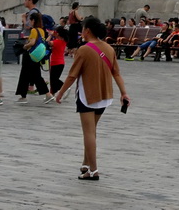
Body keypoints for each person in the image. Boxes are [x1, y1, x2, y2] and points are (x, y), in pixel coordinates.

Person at [54, 17, 130, 181]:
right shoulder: (109, 49)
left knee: (88, 133)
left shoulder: (84, 49)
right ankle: (86, 163)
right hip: (104, 96)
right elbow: (116, 72)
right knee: (92, 131)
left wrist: (60, 92)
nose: (81, 31)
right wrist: (124, 93)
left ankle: (93, 170)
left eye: (83, 28)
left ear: (87, 30)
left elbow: (72, 75)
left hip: (87, 96)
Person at [16, 12, 51, 103]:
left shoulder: (34, 30)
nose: (29, 22)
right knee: (36, 75)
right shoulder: (41, 30)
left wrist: (24, 47)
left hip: (30, 55)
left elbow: (32, 43)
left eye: (30, 20)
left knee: (25, 75)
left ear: (33, 20)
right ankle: (48, 94)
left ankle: (23, 96)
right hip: (37, 56)